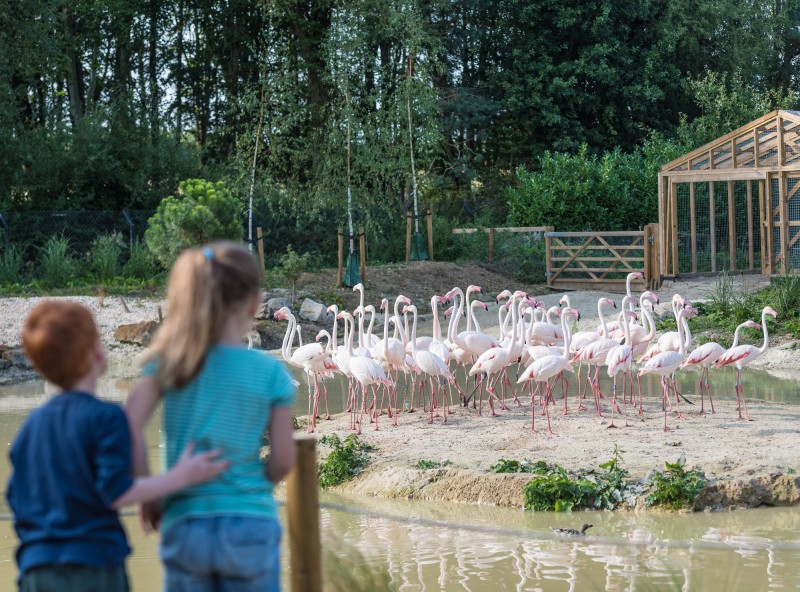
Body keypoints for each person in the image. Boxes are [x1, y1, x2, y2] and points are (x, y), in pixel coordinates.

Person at [6, 300, 229, 592]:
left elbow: (16, 496)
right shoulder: (106, 417)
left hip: (35, 570)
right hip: (94, 567)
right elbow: (117, 491)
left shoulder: (31, 426)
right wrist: (181, 476)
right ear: (97, 351)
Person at [126, 242, 297, 591]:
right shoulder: (270, 372)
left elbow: (125, 427)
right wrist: (253, 487)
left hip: (186, 522)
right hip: (251, 523)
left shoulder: (170, 363)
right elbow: (282, 460)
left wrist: (150, 492)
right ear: (254, 302)